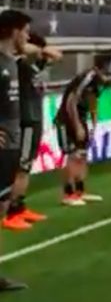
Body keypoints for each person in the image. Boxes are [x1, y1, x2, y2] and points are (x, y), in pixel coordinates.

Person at [5, 32, 60, 230]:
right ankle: (11, 211)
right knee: (22, 166)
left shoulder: (33, 66)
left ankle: (20, 206)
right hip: (26, 120)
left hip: (35, 118)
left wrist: (42, 54)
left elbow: (56, 56)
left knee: (26, 166)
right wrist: (39, 50)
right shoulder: (20, 65)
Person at [0, 10, 31, 292]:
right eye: (25, 31)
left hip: (10, 147)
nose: (27, 36)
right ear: (13, 31)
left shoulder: (11, 62)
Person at [55, 55, 110, 207]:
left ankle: (80, 191)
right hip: (67, 120)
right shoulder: (88, 77)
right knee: (72, 155)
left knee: (82, 155)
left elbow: (93, 100)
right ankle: (68, 193)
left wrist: (93, 121)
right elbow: (71, 100)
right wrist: (77, 124)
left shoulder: (100, 81)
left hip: (82, 117)